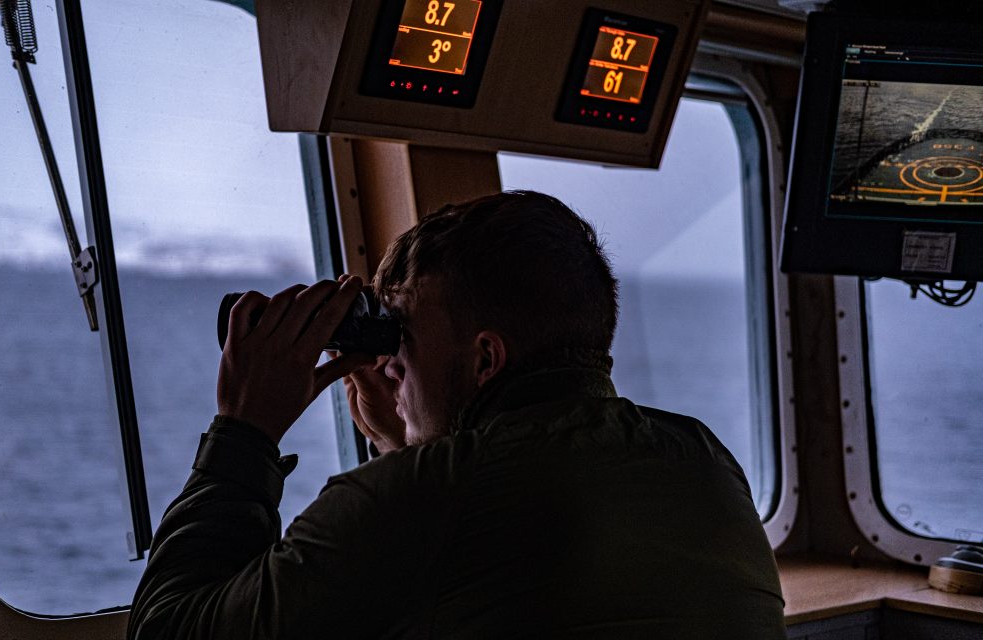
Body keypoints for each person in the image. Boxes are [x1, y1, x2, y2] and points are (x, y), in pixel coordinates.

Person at [128, 190, 786, 639]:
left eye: (401, 335)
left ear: (485, 359)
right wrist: (406, 446)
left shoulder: (422, 499)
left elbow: (166, 630)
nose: (386, 362)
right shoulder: (703, 458)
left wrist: (246, 432)